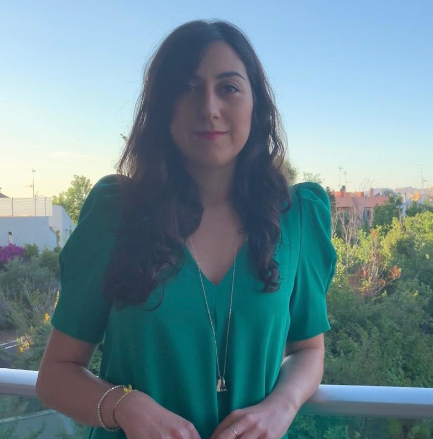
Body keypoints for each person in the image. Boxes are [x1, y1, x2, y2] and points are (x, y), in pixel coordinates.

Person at [37, 20, 337, 439]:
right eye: (187, 87)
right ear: (163, 108)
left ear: (257, 105)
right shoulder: (116, 213)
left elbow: (308, 350)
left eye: (229, 88)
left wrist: (280, 406)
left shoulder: (296, 215)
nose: (209, 107)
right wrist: (127, 407)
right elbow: (55, 375)